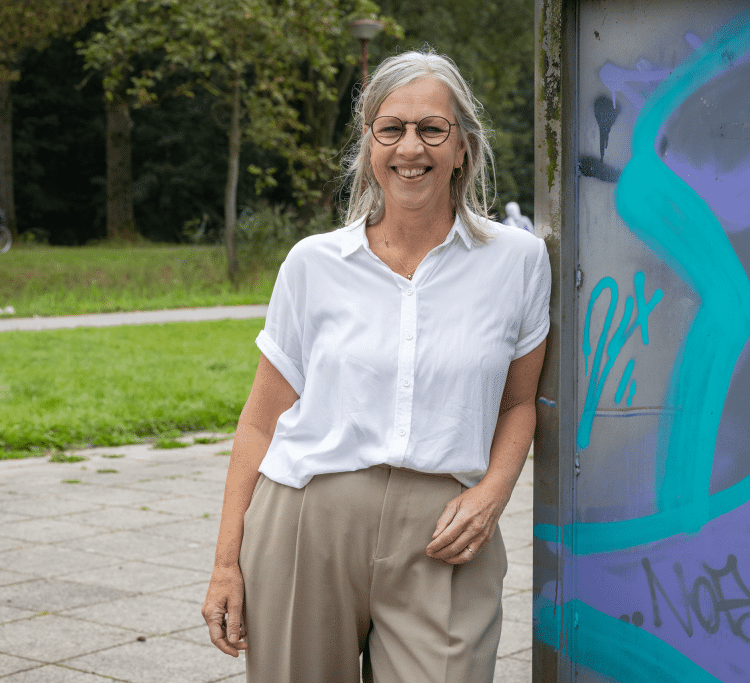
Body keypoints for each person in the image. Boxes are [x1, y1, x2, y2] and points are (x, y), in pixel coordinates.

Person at [201, 48, 551, 683]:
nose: (410, 147)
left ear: (462, 147)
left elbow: (519, 403)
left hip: (446, 534)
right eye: (391, 129)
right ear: (369, 144)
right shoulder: (312, 263)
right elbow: (259, 423)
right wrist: (227, 564)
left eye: (432, 129)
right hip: (307, 522)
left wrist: (492, 494)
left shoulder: (518, 261)